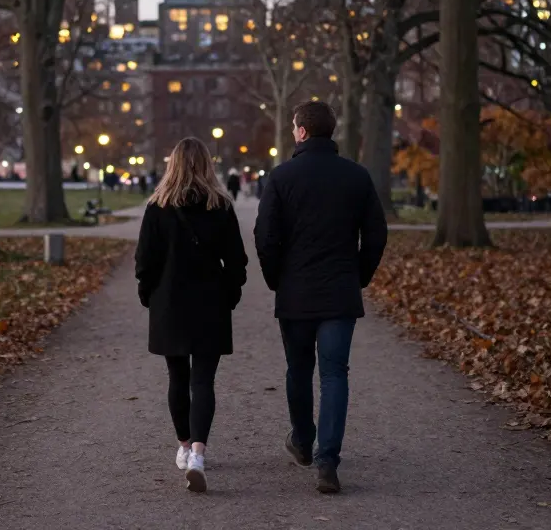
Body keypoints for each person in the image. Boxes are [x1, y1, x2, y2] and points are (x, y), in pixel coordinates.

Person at [254, 100, 388, 494]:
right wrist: (358, 275)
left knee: (298, 370)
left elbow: (265, 236)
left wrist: (275, 277)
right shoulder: (357, 177)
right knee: (334, 374)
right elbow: (376, 234)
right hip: (339, 290)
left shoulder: (281, 178)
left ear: (301, 132)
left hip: (295, 291)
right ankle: (327, 459)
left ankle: (302, 439)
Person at [135, 137, 248, 493]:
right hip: (210, 302)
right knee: (203, 380)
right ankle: (199, 452)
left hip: (169, 302)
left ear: (172, 165)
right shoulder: (221, 207)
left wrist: (148, 296)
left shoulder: (157, 207)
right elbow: (237, 263)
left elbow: (144, 262)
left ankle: (184, 444)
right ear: (207, 165)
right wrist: (230, 295)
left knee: (177, 377)